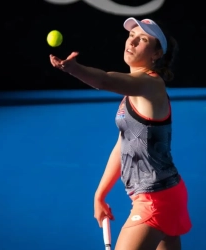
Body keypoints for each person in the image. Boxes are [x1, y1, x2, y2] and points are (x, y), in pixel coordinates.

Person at [49, 17, 192, 250]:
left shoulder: (151, 85)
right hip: (165, 193)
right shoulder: (132, 91)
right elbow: (124, 144)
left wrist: (75, 69)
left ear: (156, 55)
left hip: (156, 199)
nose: (132, 42)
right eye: (131, 36)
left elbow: (105, 79)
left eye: (143, 39)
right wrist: (100, 194)